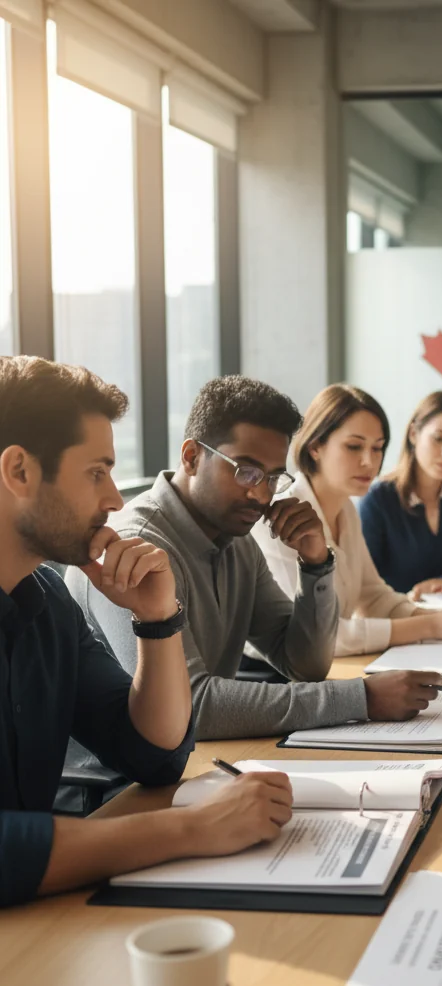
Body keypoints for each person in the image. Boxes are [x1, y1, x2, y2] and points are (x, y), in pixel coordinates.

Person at [0, 356, 295, 908]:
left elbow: (152, 755)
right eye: (95, 472)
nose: (114, 499)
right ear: (19, 471)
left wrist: (158, 622)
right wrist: (193, 829)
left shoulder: (48, 602)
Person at [67, 377, 442, 742]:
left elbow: (304, 665)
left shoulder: (236, 540)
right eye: (246, 472)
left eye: (273, 477)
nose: (261, 496)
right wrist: (361, 698)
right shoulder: (136, 546)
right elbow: (191, 705)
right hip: (115, 788)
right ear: (192, 457)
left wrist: (316, 563)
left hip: (192, 761)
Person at [253, 384, 442, 656]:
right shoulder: (281, 516)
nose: (370, 462)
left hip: (324, 672)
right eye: (354, 446)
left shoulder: (345, 509)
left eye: (378, 448)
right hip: (269, 680)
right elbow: (316, 637)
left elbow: (374, 596)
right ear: (315, 447)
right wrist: (433, 625)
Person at [360, 391, 442, 599]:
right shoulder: (378, 500)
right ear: (413, 434)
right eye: (439, 439)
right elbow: (364, 581)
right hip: (398, 621)